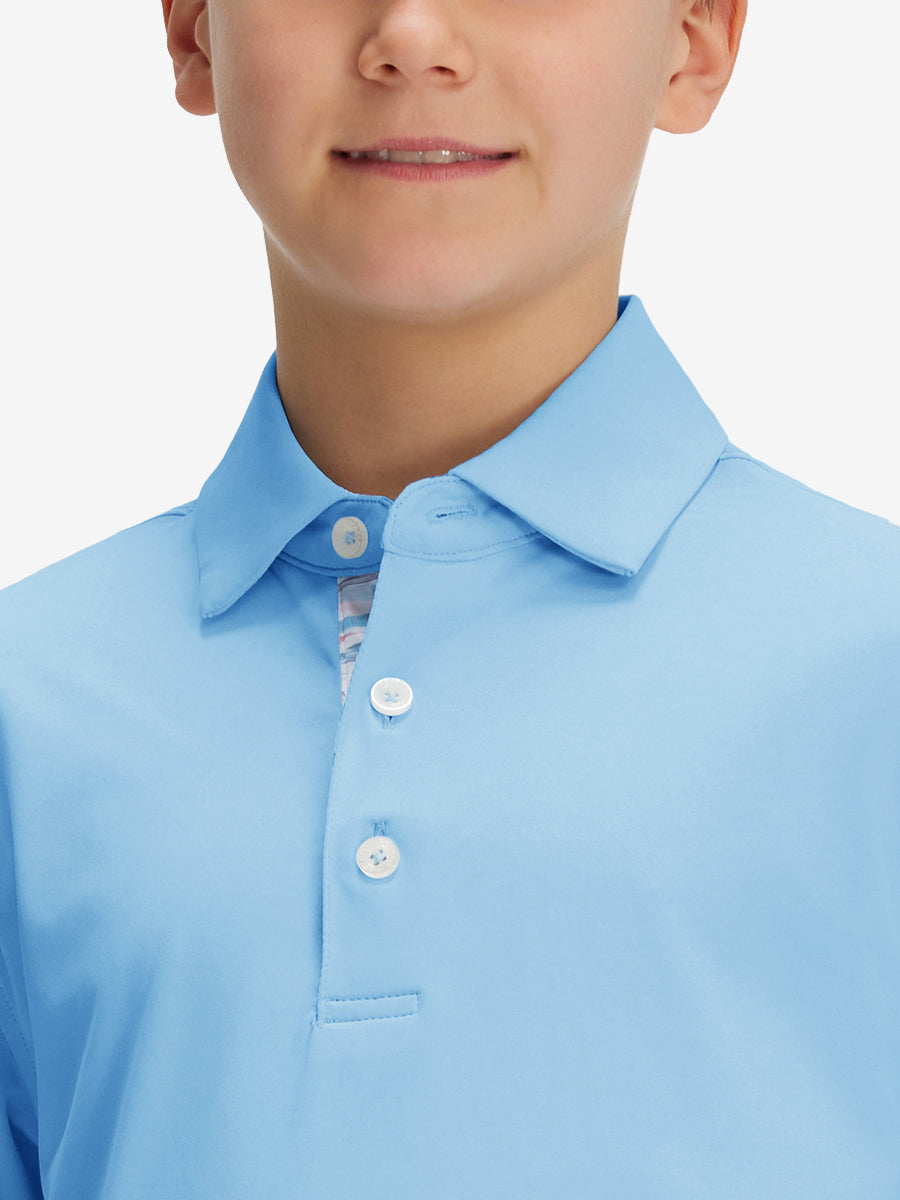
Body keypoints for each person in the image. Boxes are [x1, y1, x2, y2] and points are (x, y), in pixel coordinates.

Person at [1, 0, 898, 1194]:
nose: (414, 33)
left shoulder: (873, 659)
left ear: (695, 35)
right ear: (192, 28)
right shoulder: (29, 703)